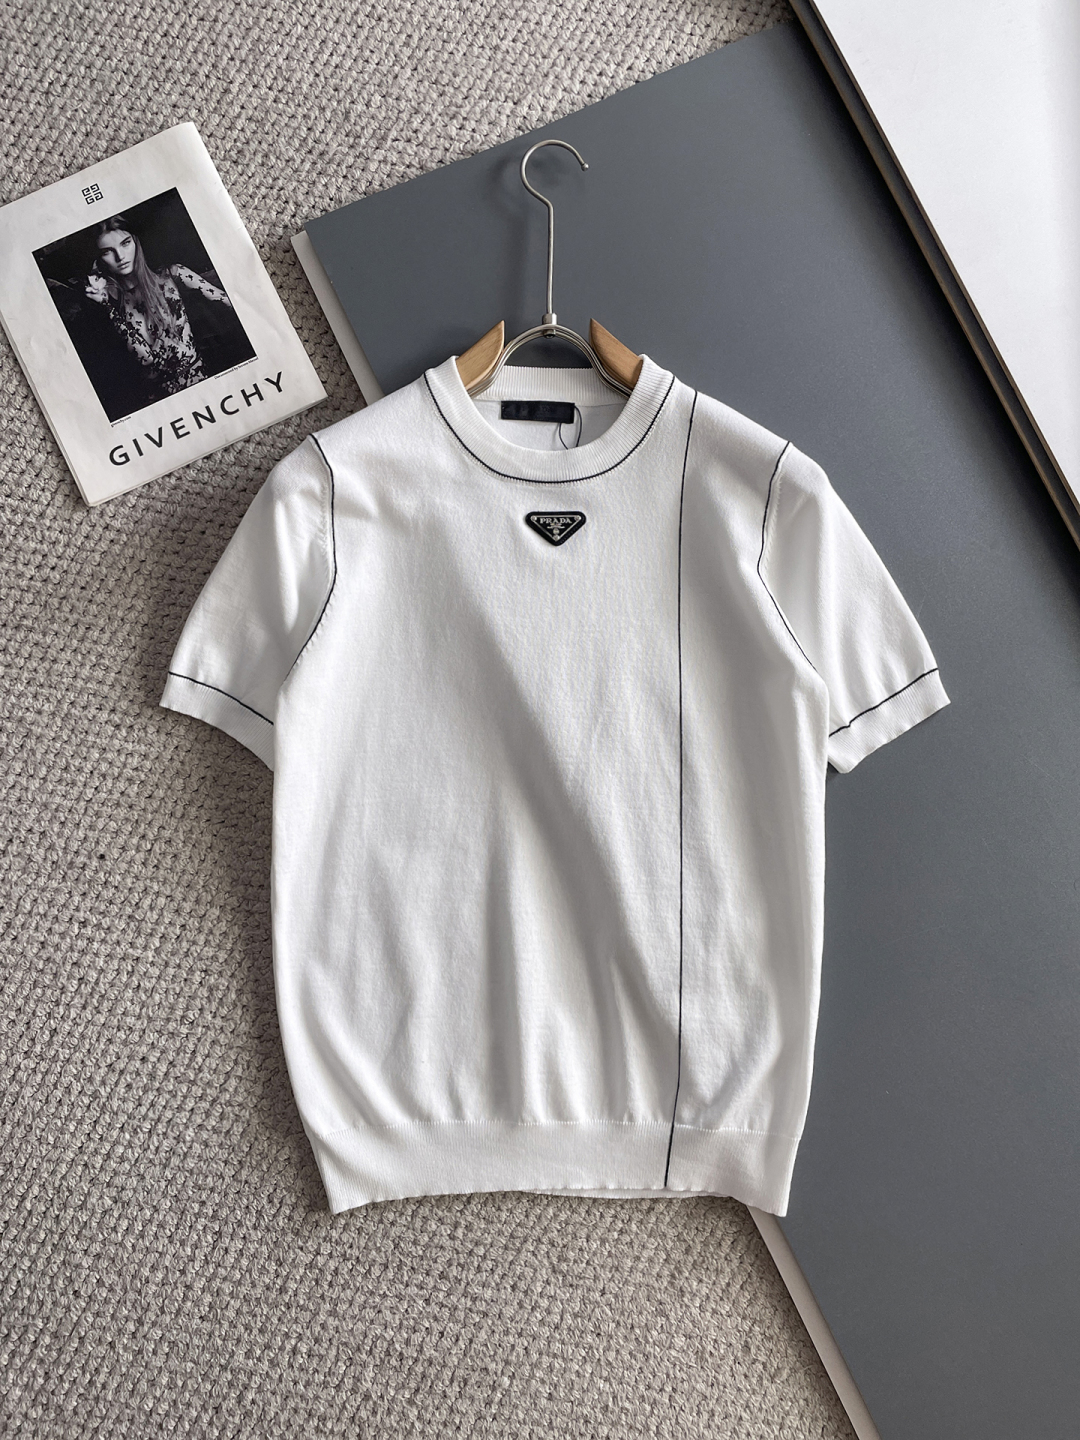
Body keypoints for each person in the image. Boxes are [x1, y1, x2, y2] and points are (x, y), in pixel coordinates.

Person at [82, 216, 237, 403]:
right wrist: (107, 306)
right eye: (107, 251)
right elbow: (146, 358)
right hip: (159, 399)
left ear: (136, 242)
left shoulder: (172, 275)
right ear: (99, 259)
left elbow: (227, 300)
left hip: (201, 382)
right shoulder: (112, 302)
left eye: (125, 243)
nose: (120, 256)